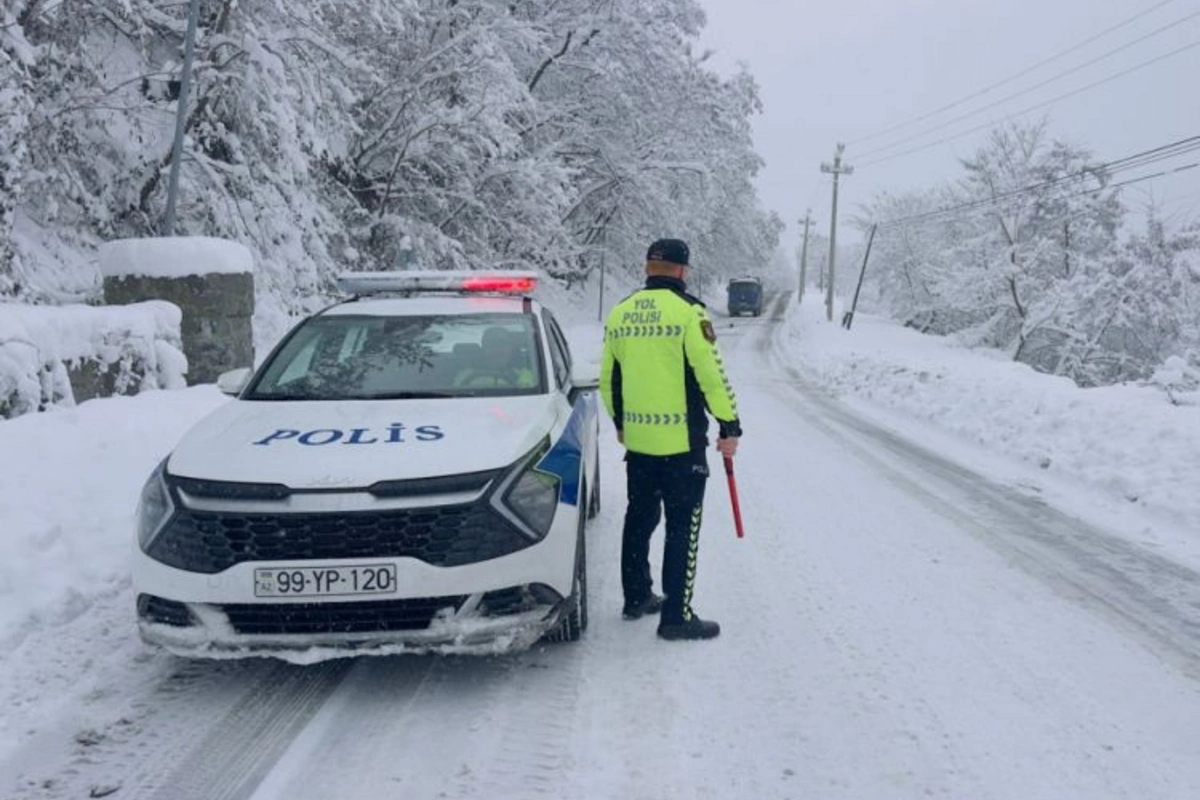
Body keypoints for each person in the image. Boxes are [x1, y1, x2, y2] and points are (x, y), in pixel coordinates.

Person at [599, 238, 742, 641]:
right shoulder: (689, 313)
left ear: (648, 268)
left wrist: (621, 424)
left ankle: (637, 597)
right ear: (683, 270)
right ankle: (676, 617)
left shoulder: (621, 312)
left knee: (639, 518)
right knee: (682, 527)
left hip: (639, 444)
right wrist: (729, 425)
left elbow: (609, 380)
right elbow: (711, 376)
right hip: (682, 446)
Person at [454, 326, 536, 389]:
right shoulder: (466, 375)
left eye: (502, 345)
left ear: (511, 349)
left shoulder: (525, 375)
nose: (497, 350)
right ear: (483, 349)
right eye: (492, 345)